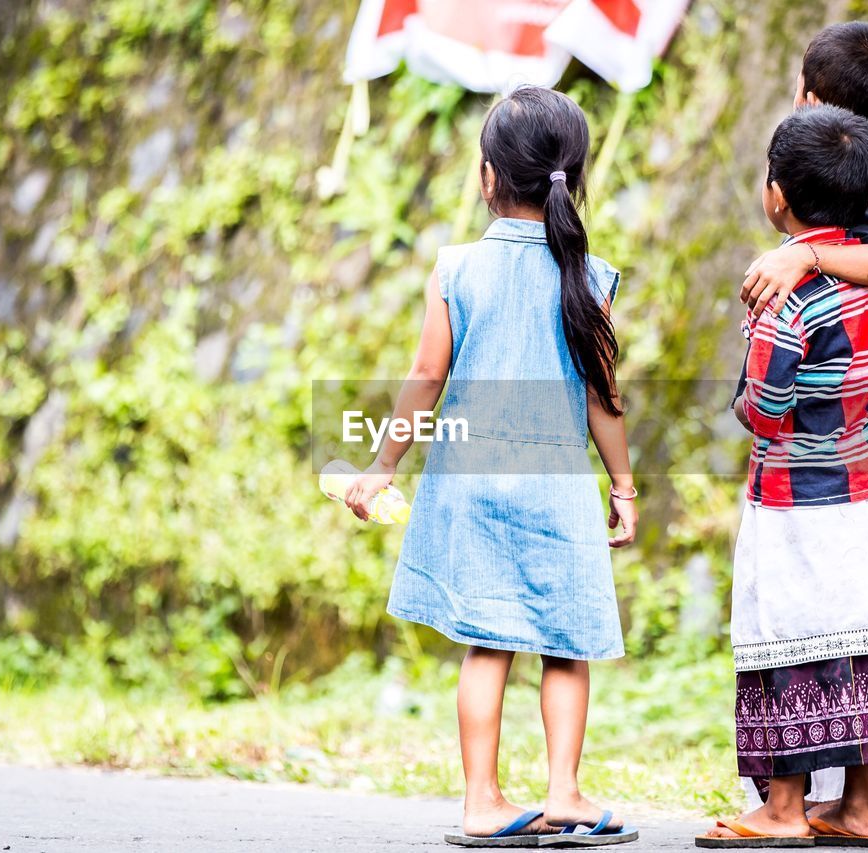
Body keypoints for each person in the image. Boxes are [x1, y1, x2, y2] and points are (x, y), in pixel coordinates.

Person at [344, 86, 639, 849]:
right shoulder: (590, 278)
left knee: (488, 643)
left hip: (470, 481)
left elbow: (424, 376)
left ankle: (482, 800)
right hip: (558, 486)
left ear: (486, 177)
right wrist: (624, 485)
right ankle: (565, 791)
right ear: (572, 179)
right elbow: (605, 398)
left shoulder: (455, 269)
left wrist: (382, 467)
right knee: (565, 643)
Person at [735, 21, 868, 831]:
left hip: (854, 431)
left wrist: (811, 256)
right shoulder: (865, 181)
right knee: (863, 602)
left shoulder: (841, 189)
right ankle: (854, 794)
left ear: (814, 103)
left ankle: (824, 794)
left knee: (844, 602)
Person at [698, 104, 868, 849]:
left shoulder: (783, 295)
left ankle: (784, 807)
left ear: (777, 196)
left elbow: (763, 410)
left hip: (792, 497)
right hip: (863, 489)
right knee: (860, 632)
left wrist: (742, 390)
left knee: (784, 634)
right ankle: (862, 806)